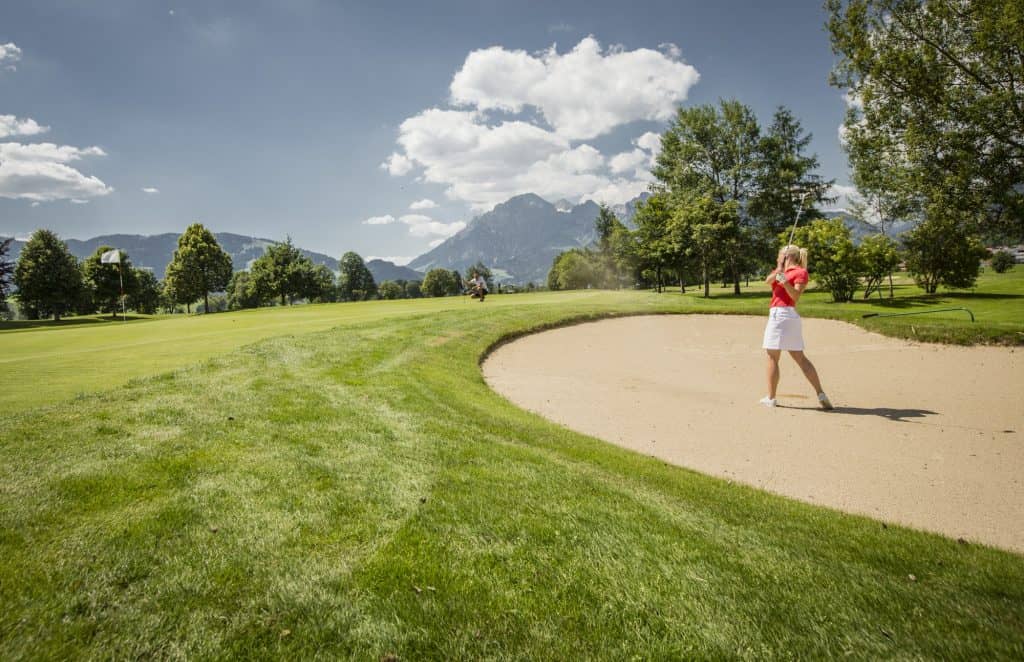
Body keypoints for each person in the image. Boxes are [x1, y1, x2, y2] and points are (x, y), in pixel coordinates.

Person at [760, 244, 833, 410]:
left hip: (781, 315)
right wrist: (779, 269)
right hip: (788, 318)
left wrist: (785, 283)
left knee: (772, 356)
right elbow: (767, 281)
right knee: (799, 357)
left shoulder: (801, 272)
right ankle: (820, 393)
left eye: (779, 256)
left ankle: (771, 398)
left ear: (787, 257)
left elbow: (795, 296)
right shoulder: (780, 271)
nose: (777, 258)